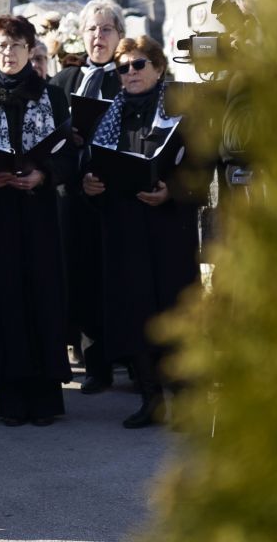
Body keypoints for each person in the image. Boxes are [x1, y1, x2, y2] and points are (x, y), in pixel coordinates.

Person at [0, 15, 74, 426]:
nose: (9, 53)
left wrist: (45, 175)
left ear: (30, 49)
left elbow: (69, 154)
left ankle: (45, 399)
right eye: (2, 46)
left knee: (41, 299)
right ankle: (10, 399)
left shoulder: (52, 96)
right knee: (3, 300)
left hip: (39, 214)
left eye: (16, 45)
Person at [82, 36, 201, 428]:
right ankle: (152, 399)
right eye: (123, 68)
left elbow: (202, 165)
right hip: (125, 230)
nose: (130, 73)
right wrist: (90, 185)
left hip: (169, 230)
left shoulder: (182, 109)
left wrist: (173, 191)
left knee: (176, 312)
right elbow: (92, 165)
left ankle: (185, 401)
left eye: (138, 65)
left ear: (158, 67)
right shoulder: (108, 116)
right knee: (136, 314)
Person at [48, 0, 126, 394]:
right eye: (92, 29)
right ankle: (95, 364)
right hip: (71, 195)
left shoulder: (128, 76)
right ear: (81, 35)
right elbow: (45, 136)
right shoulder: (64, 81)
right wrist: (69, 136)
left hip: (115, 194)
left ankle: (130, 359)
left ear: (119, 35)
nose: (99, 36)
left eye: (106, 29)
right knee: (79, 277)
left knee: (117, 277)